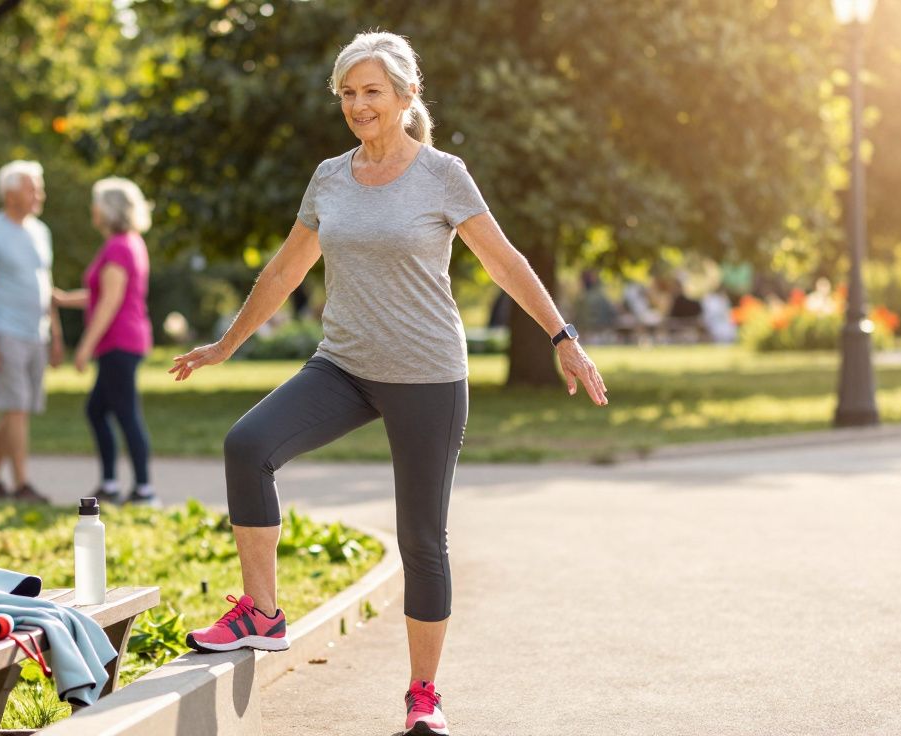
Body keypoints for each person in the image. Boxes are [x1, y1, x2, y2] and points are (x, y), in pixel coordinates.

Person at [171, 31, 608, 736]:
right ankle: (262, 613)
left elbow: (503, 261)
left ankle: (424, 695)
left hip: (428, 375)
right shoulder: (330, 178)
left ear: (406, 98)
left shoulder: (441, 174)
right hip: (343, 365)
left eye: (372, 91)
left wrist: (564, 338)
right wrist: (227, 344)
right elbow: (284, 270)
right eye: (348, 93)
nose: (358, 105)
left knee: (421, 537)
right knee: (247, 445)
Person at [54, 178, 157, 506]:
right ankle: (111, 484)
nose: (92, 209)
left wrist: (84, 346)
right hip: (127, 339)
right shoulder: (131, 242)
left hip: (119, 342)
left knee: (125, 413)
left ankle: (143, 490)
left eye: (96, 203)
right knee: (98, 410)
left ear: (107, 209)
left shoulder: (117, 247)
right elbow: (104, 294)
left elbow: (110, 302)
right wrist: (65, 299)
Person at [0, 160, 63, 504]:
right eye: (32, 187)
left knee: (14, 409)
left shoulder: (41, 231)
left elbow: (46, 285)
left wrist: (56, 335)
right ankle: (22, 484)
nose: (40, 194)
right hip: (5, 331)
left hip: (37, 333)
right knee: (17, 408)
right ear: (9, 193)